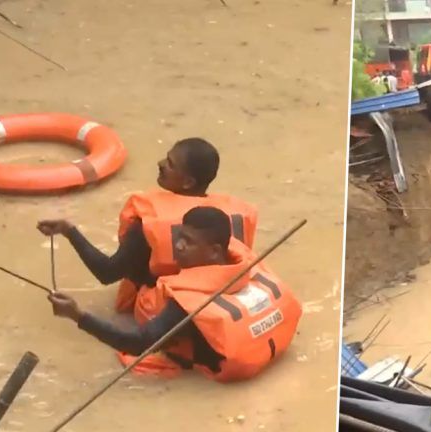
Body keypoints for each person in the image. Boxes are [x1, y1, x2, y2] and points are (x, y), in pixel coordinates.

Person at [47, 207, 302, 381]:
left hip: (213, 371)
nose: (177, 246)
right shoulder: (244, 262)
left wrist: (77, 315)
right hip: (260, 342)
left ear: (214, 251)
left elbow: (138, 343)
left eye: (188, 242)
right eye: (179, 237)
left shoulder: (185, 304)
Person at [37, 138, 258, 322]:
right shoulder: (224, 218)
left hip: (167, 313)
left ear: (188, 182)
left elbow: (106, 273)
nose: (161, 163)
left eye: (170, 164)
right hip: (213, 305)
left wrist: (70, 231)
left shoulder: (149, 225)